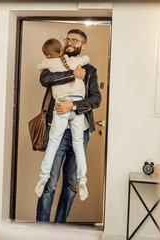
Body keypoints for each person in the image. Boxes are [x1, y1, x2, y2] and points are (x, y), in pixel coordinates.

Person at [36, 29, 101, 223]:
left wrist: (73, 105)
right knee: (50, 184)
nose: (70, 43)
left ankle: (59, 229)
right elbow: (44, 79)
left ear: (83, 45)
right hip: (57, 129)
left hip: (80, 130)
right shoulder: (55, 62)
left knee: (71, 186)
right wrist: (72, 74)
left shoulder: (90, 70)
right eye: (67, 39)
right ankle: (41, 232)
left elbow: (95, 99)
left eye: (75, 40)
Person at [35, 38, 90, 201]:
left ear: (48, 54)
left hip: (61, 105)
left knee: (53, 143)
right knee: (79, 145)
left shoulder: (49, 63)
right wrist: (76, 68)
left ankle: (44, 176)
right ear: (61, 48)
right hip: (76, 106)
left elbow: (39, 68)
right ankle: (82, 180)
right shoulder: (75, 61)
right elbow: (86, 59)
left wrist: (48, 60)